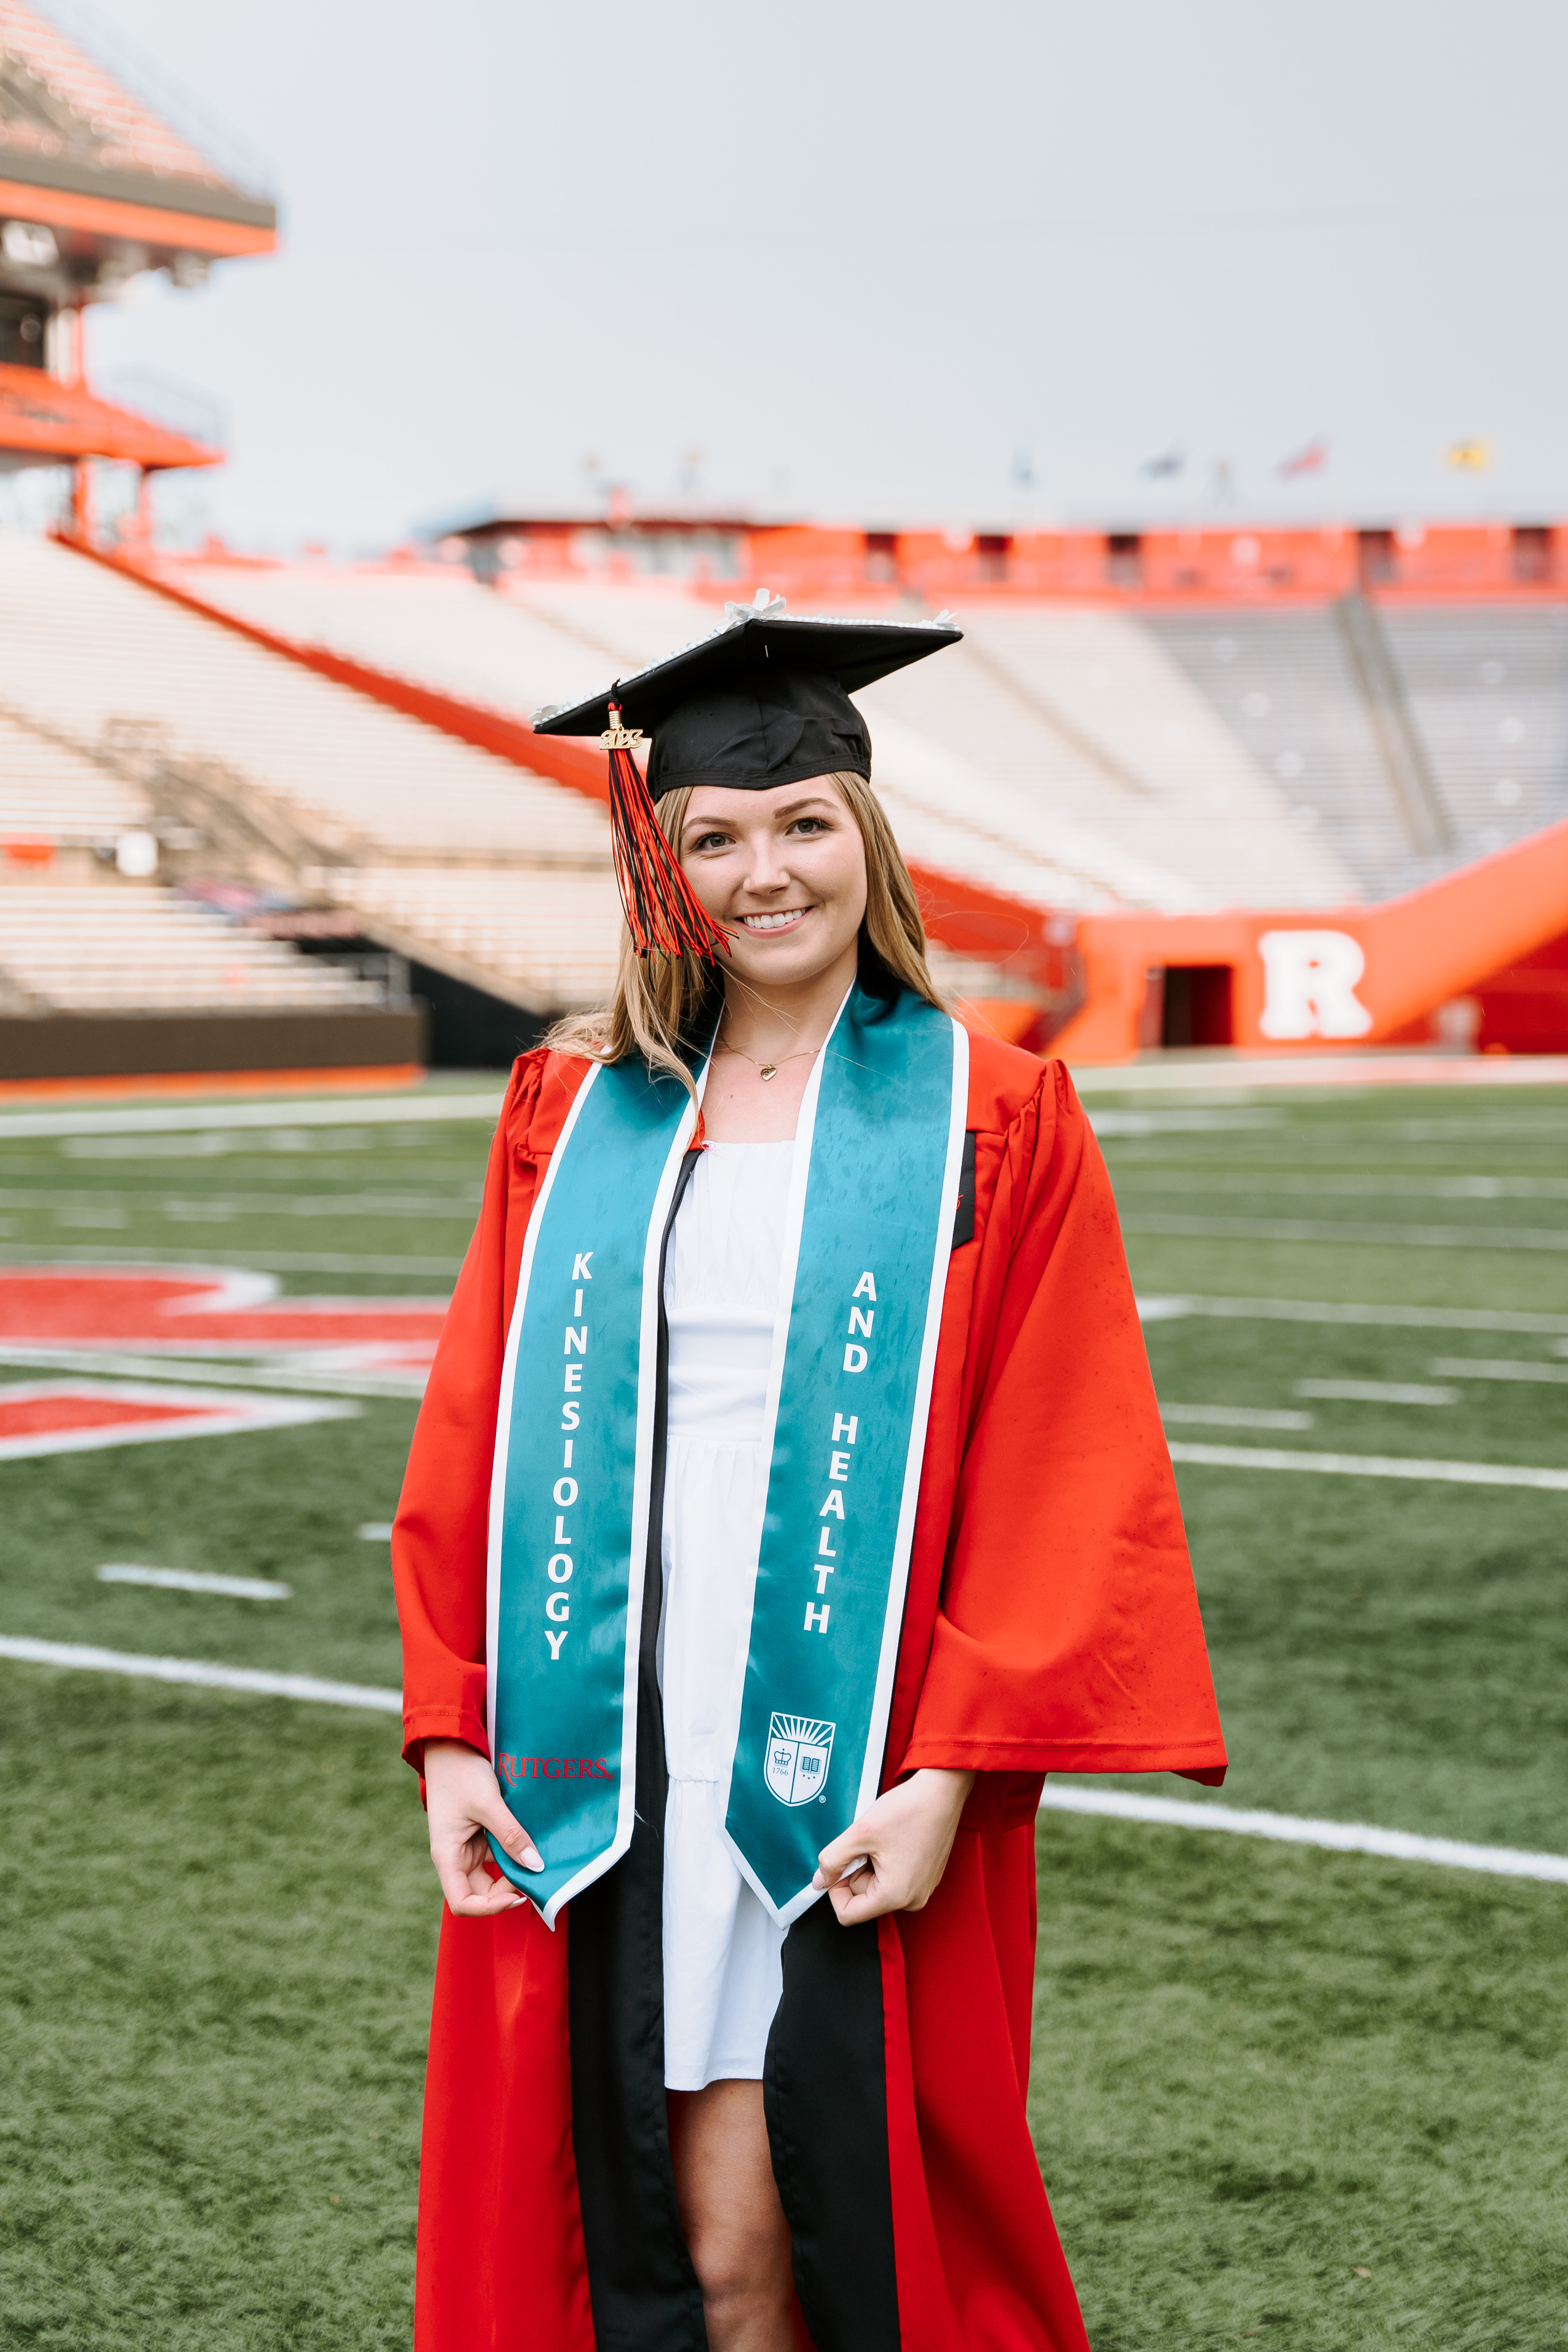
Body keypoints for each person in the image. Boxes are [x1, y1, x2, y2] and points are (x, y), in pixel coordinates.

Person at [393, 603, 1227, 2352]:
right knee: (681, 2255)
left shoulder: (994, 1115)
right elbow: (477, 1420)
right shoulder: (575, 1108)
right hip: (610, 1739)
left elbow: (1062, 1460)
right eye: (711, 837)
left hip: (846, 1750)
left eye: (802, 824)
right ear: (660, 866)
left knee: (809, 2229)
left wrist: (946, 1772)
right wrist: (456, 1728)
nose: (762, 872)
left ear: (867, 834)